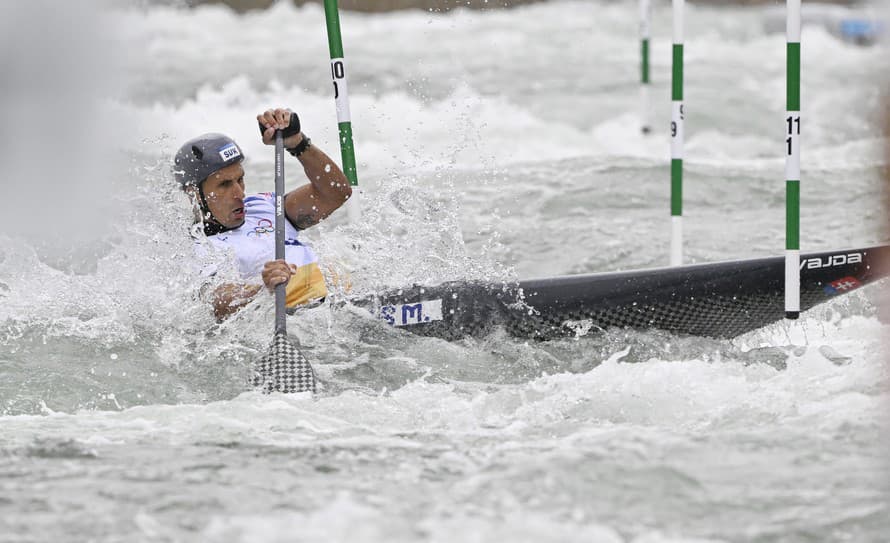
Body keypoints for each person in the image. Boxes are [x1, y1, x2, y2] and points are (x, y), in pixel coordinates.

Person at [173, 107, 352, 320]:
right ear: (194, 194)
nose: (239, 193)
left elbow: (335, 194)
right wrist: (263, 289)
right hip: (302, 320)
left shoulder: (265, 205)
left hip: (346, 304)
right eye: (224, 185)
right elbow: (216, 301)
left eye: (240, 179)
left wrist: (298, 143)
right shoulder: (196, 248)